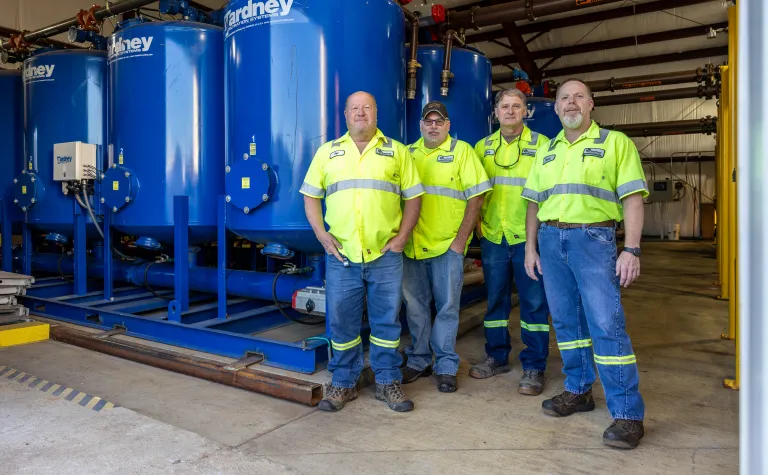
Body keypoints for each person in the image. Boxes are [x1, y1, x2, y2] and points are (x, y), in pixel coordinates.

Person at [521, 78, 648, 449]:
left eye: (578, 97)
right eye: (564, 98)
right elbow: (532, 203)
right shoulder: (548, 150)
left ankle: (627, 414)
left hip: (593, 240)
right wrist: (531, 247)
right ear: (556, 108)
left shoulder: (614, 143)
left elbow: (633, 199)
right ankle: (578, 390)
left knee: (606, 324)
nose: (571, 103)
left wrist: (633, 249)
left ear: (591, 104)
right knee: (566, 322)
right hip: (550, 239)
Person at [300, 91, 425, 413]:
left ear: (376, 114)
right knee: (341, 323)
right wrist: (322, 235)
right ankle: (343, 383)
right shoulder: (328, 152)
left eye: (366, 108)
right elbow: (311, 196)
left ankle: (386, 381)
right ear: (345, 115)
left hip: (385, 255)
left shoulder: (396, 152)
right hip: (342, 256)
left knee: (386, 323)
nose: (360, 113)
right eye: (354, 108)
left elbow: (414, 198)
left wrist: (402, 237)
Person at [400, 101, 491, 393]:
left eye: (440, 121)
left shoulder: (461, 151)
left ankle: (446, 365)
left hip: (446, 247)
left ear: (448, 125)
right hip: (412, 247)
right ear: (421, 125)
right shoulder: (408, 153)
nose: (434, 126)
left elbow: (476, 198)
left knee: (448, 309)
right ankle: (418, 360)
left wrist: (460, 242)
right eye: (429, 121)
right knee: (415, 309)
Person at [470, 89, 552, 396]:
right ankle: (497, 356)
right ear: (496, 112)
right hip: (494, 235)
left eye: (516, 106)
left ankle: (534, 365)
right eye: (504, 106)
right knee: (495, 300)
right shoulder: (483, 147)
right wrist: (479, 225)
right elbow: (476, 192)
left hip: (529, 237)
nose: (510, 110)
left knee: (533, 302)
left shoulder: (542, 145)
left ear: (525, 112)